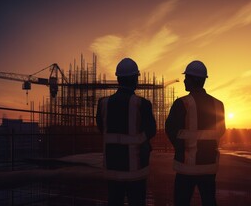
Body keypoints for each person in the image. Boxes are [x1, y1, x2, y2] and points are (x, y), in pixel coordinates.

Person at [96, 58, 156, 206]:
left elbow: (101, 127)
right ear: (135, 78)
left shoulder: (103, 103)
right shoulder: (142, 104)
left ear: (118, 79)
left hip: (112, 168)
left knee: (114, 201)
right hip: (136, 172)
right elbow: (151, 131)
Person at [165, 60, 226, 206]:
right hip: (209, 168)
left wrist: (182, 147)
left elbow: (170, 130)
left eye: (187, 78)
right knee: (209, 202)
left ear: (194, 80)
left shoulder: (182, 104)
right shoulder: (218, 105)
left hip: (186, 169)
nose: (184, 81)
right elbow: (221, 131)